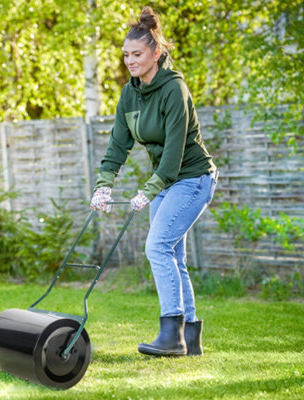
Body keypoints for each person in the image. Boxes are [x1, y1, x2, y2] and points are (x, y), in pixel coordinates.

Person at [90, 6, 218, 357]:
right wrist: (103, 185)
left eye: (137, 54)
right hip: (166, 181)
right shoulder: (129, 94)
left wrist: (147, 192)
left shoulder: (174, 89)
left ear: (156, 53)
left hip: (193, 178)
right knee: (173, 255)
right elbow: (118, 145)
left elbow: (174, 155)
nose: (130, 61)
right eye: (125, 55)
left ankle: (171, 335)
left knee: (157, 247)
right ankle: (189, 338)